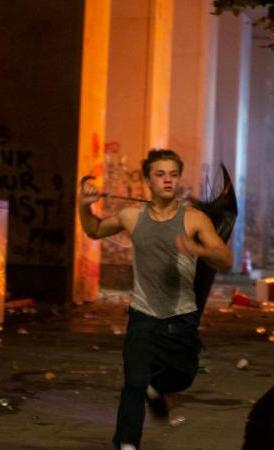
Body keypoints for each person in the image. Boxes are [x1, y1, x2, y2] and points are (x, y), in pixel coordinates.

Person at [79, 149, 232, 450]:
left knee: (183, 377)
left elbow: (225, 259)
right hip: (143, 316)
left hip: (182, 318)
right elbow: (94, 229)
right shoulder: (131, 216)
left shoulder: (194, 220)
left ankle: (158, 388)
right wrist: (84, 206)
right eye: (160, 174)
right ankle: (127, 444)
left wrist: (199, 250)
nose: (168, 180)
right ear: (148, 180)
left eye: (173, 175)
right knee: (133, 383)